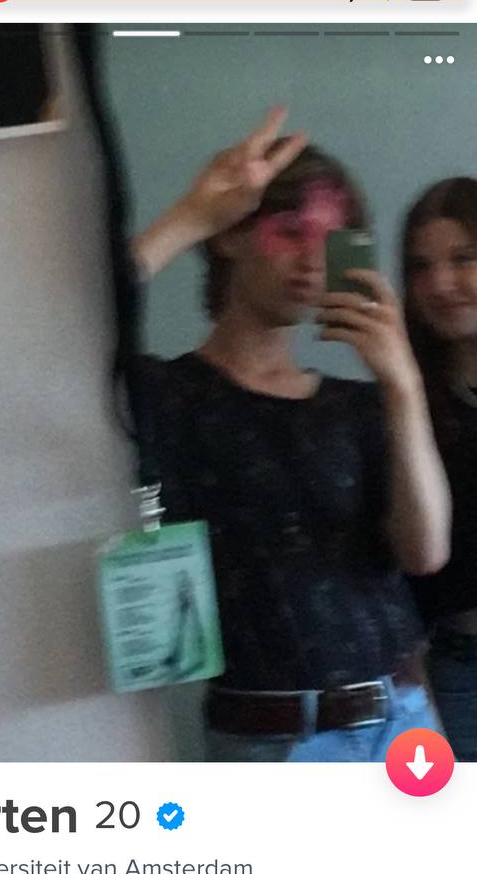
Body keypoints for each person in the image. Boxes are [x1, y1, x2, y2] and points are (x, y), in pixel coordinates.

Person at [130, 107, 452, 762]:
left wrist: (403, 387)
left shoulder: (359, 405)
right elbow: (63, 327)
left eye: (332, 241)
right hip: (268, 740)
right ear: (230, 236)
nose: (311, 261)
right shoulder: (168, 395)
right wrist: (192, 215)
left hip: (402, 720)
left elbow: (424, 552)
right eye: (289, 231)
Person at [403, 177, 477, 760]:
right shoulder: (406, 405)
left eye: (463, 259)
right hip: (458, 670)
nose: (441, 284)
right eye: (421, 267)